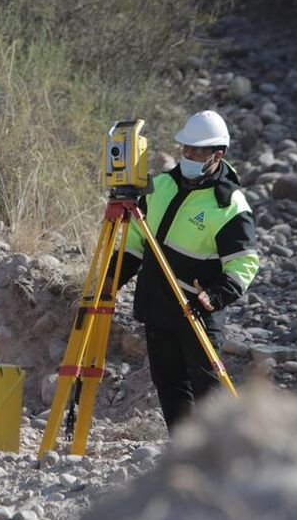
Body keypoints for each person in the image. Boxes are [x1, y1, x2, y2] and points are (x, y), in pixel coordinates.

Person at [108, 110, 260, 435]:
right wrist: (111, 279)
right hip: (157, 307)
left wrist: (215, 295)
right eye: (186, 149)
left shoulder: (229, 204)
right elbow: (136, 239)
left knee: (207, 390)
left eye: (197, 151)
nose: (189, 156)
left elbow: (244, 263)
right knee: (169, 386)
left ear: (217, 155)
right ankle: (183, 454)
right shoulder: (161, 185)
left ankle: (220, 455)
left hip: (197, 310)